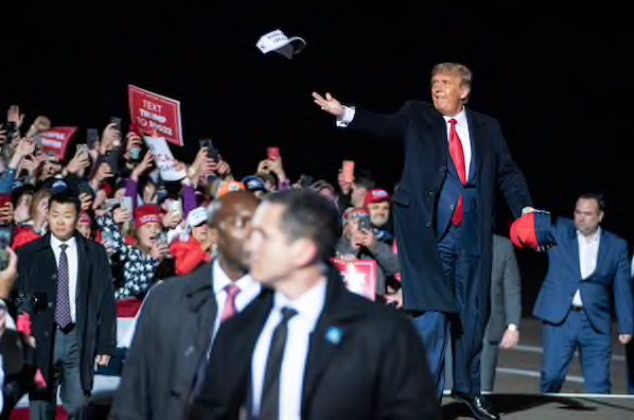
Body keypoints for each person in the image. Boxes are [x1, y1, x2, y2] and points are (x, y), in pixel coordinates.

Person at [312, 62, 534, 419]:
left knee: (472, 317)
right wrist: (344, 113)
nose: (437, 88)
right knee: (431, 316)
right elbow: (382, 125)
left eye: (446, 83)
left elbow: (507, 173)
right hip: (429, 235)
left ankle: (469, 390)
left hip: (472, 236)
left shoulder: (488, 128)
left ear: (465, 90)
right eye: (434, 83)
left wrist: (525, 210)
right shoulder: (417, 115)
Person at [189, 189, 439, 420]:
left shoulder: (381, 333)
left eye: (263, 236)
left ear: (303, 251)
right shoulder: (239, 327)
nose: (250, 245)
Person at [109, 190, 262, 420]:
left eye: (259, 227)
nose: (250, 235)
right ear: (213, 233)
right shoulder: (166, 300)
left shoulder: (282, 302)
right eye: (240, 224)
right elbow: (135, 390)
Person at [15, 190, 117, 420]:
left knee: (80, 403)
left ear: (78, 216)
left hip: (78, 337)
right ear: (47, 215)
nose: (60, 221)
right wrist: (33, 306)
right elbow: (18, 297)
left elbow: (106, 301)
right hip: (41, 337)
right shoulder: (30, 253)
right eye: (55, 214)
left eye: (67, 215)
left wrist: (106, 344)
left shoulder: (94, 253)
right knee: (41, 406)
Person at [532, 192, 633, 393]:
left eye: (587, 213)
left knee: (600, 385)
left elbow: (622, 288)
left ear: (600, 216)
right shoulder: (560, 233)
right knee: (551, 378)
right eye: (578, 212)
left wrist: (627, 325)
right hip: (560, 319)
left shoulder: (616, 246)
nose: (581, 217)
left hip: (594, 322)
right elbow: (531, 228)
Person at [481, 233, 521, 392]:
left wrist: (512, 327)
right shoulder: (450, 239)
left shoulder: (502, 246)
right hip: (455, 327)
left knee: (483, 390)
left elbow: (512, 287)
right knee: (450, 390)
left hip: (488, 326)